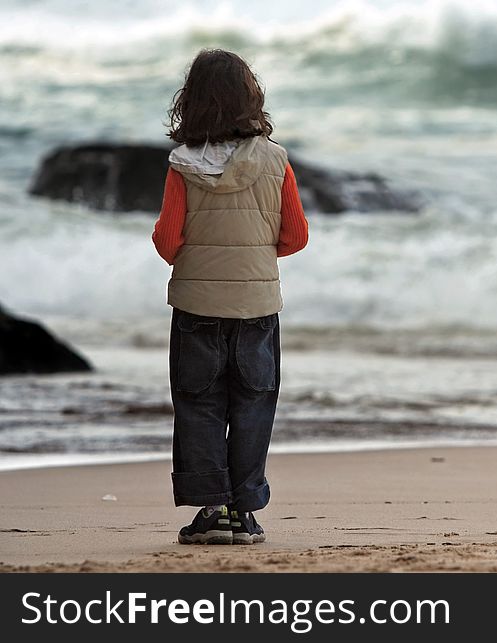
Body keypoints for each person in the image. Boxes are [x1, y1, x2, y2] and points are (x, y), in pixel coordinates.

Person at [152, 49, 308, 545]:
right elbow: (296, 236)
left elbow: (167, 241)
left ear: (191, 102)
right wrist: (257, 257)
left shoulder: (181, 164)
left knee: (198, 404)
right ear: (250, 98)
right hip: (257, 308)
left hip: (197, 307)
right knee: (253, 404)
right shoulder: (276, 159)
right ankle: (245, 514)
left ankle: (212, 511)